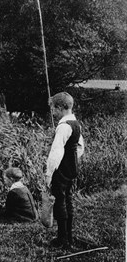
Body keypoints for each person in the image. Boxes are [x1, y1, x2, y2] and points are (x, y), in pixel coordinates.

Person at [46, 92, 85, 247]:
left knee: (60, 201)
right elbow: (80, 147)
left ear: (61, 108)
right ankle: (68, 236)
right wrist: (73, 159)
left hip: (61, 169)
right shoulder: (76, 124)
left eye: (53, 109)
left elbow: (56, 152)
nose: (53, 113)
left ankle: (62, 239)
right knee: (68, 200)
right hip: (72, 168)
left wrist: (49, 173)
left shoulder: (63, 127)